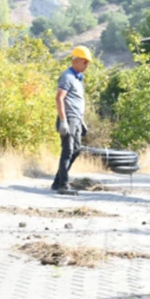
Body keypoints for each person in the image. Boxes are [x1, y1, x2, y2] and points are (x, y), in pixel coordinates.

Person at [52, 46, 92, 192]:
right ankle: (63, 185)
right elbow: (59, 98)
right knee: (67, 151)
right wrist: (63, 121)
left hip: (76, 119)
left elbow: (75, 101)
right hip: (68, 118)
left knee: (76, 150)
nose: (87, 65)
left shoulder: (78, 78)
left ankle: (57, 181)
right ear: (77, 61)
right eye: (85, 62)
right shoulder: (68, 76)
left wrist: (81, 121)